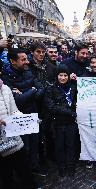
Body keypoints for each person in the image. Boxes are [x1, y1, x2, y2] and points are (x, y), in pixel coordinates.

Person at [1, 48, 45, 176]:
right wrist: (32, 90)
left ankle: (34, 167)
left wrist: (28, 93)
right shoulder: (6, 77)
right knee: (24, 147)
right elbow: (18, 101)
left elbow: (41, 88)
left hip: (32, 114)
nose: (27, 62)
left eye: (26, 58)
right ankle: (25, 174)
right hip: (17, 119)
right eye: (23, 59)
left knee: (35, 143)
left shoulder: (28, 71)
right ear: (13, 61)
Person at [0, 79, 37, 189]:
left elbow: (14, 111)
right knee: (5, 173)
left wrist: (26, 120)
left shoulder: (6, 88)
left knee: (23, 167)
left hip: (13, 137)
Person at [44, 65, 77, 177]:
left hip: (71, 123)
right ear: (56, 76)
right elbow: (52, 107)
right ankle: (61, 168)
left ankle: (70, 167)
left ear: (68, 76)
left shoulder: (72, 87)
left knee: (70, 145)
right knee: (59, 147)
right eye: (60, 75)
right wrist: (69, 112)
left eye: (65, 75)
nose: (63, 78)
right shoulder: (50, 89)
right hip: (57, 123)